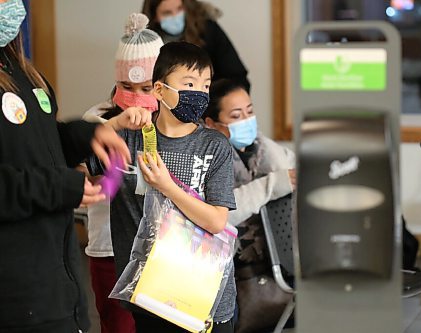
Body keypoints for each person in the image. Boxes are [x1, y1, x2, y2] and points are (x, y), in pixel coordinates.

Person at [87, 41, 237, 333]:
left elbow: (217, 220)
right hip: (150, 297)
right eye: (189, 83)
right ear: (159, 89)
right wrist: (116, 123)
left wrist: (168, 186)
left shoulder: (214, 145)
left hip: (203, 300)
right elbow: (75, 158)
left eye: (205, 86)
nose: (199, 93)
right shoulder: (131, 139)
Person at [0, 1, 131, 332]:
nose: (10, 6)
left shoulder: (27, 76)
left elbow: (35, 145)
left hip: (58, 287)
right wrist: (59, 187)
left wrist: (85, 135)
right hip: (14, 297)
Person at [81, 13, 163, 333]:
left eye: (146, 88)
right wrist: (115, 128)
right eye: (125, 87)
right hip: (110, 251)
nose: (135, 97)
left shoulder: (171, 127)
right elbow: (85, 174)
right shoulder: (99, 119)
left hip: (163, 251)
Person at [202, 79, 295, 228]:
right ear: (211, 123)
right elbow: (219, 216)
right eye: (236, 116)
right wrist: (273, 184)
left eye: (250, 111)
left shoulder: (266, 148)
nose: (247, 120)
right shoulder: (205, 159)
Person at [142, 0, 250, 91]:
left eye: (180, 9)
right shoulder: (145, 45)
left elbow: (236, 75)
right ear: (154, 16)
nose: (175, 16)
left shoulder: (208, 30)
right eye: (167, 13)